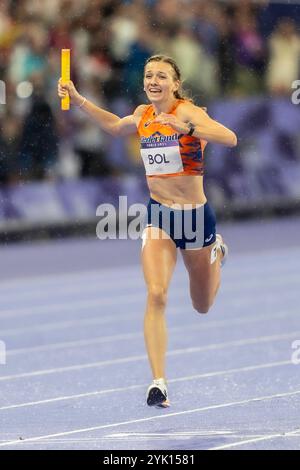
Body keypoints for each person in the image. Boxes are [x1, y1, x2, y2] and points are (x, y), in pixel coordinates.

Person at [58, 54, 237, 408]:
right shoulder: (142, 115)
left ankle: (215, 250)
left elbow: (229, 137)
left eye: (162, 76)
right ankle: (159, 382)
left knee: (202, 305)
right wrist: (78, 100)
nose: (154, 81)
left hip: (195, 218)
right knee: (156, 294)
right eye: (149, 75)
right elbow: (114, 126)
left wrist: (186, 129)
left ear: (175, 84)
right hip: (159, 217)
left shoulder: (186, 112)